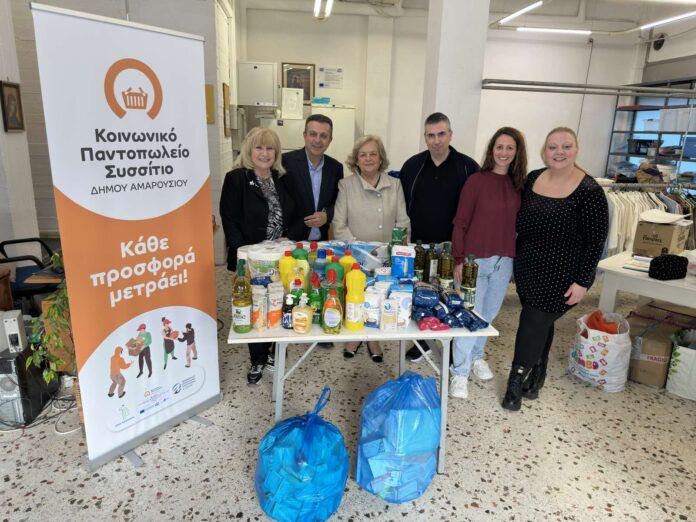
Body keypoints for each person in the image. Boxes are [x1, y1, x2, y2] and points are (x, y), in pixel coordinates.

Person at [502, 127, 608, 411]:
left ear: (576, 149)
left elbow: (595, 242)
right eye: (553, 147)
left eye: (566, 146)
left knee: (531, 322)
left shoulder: (590, 191)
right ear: (544, 151)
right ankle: (538, 374)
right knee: (540, 323)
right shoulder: (533, 178)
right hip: (528, 269)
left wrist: (583, 281)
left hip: (563, 276)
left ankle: (515, 382)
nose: (559, 152)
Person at [449, 127, 528, 399]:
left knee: (489, 315)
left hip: (503, 262)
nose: (503, 152)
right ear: (491, 149)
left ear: (517, 152)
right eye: (499, 147)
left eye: (509, 148)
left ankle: (476, 356)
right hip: (474, 261)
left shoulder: (520, 186)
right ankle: (459, 372)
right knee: (470, 315)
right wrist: (459, 259)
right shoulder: (476, 181)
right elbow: (460, 223)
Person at [220, 127, 299, 384]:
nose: (264, 153)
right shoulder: (236, 179)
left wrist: (290, 236)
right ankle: (257, 358)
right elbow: (229, 221)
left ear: (276, 152)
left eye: (269, 148)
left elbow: (299, 214)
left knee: (278, 302)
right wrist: (245, 256)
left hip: (280, 259)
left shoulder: (283, 178)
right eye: (259, 147)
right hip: (252, 260)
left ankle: (275, 350)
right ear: (249, 150)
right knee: (254, 306)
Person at [400, 112, 480, 362]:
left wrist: (464, 251)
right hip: (420, 247)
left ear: (450, 135)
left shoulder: (467, 167)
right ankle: (423, 341)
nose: (436, 141)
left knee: (452, 297)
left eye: (441, 134)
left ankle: (455, 346)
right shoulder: (412, 166)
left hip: (452, 248)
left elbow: (475, 210)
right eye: (431, 135)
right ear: (425, 137)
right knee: (422, 296)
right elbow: (403, 207)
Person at [333, 134, 410, 362]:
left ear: (381, 158)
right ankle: (355, 336)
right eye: (363, 154)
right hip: (357, 257)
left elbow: (403, 221)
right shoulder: (346, 185)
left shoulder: (395, 184)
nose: (368, 158)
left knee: (379, 299)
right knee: (356, 297)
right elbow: (339, 224)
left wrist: (394, 250)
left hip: (386, 258)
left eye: (373, 154)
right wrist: (361, 252)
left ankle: (373, 338)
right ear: (356, 160)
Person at [282, 114, 344, 241]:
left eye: (323, 136)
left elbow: (339, 202)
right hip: (290, 241)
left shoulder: (336, 168)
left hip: (321, 243)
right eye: (313, 134)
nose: (317, 140)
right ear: (305, 135)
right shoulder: (285, 162)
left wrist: (327, 215)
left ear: (330, 140)